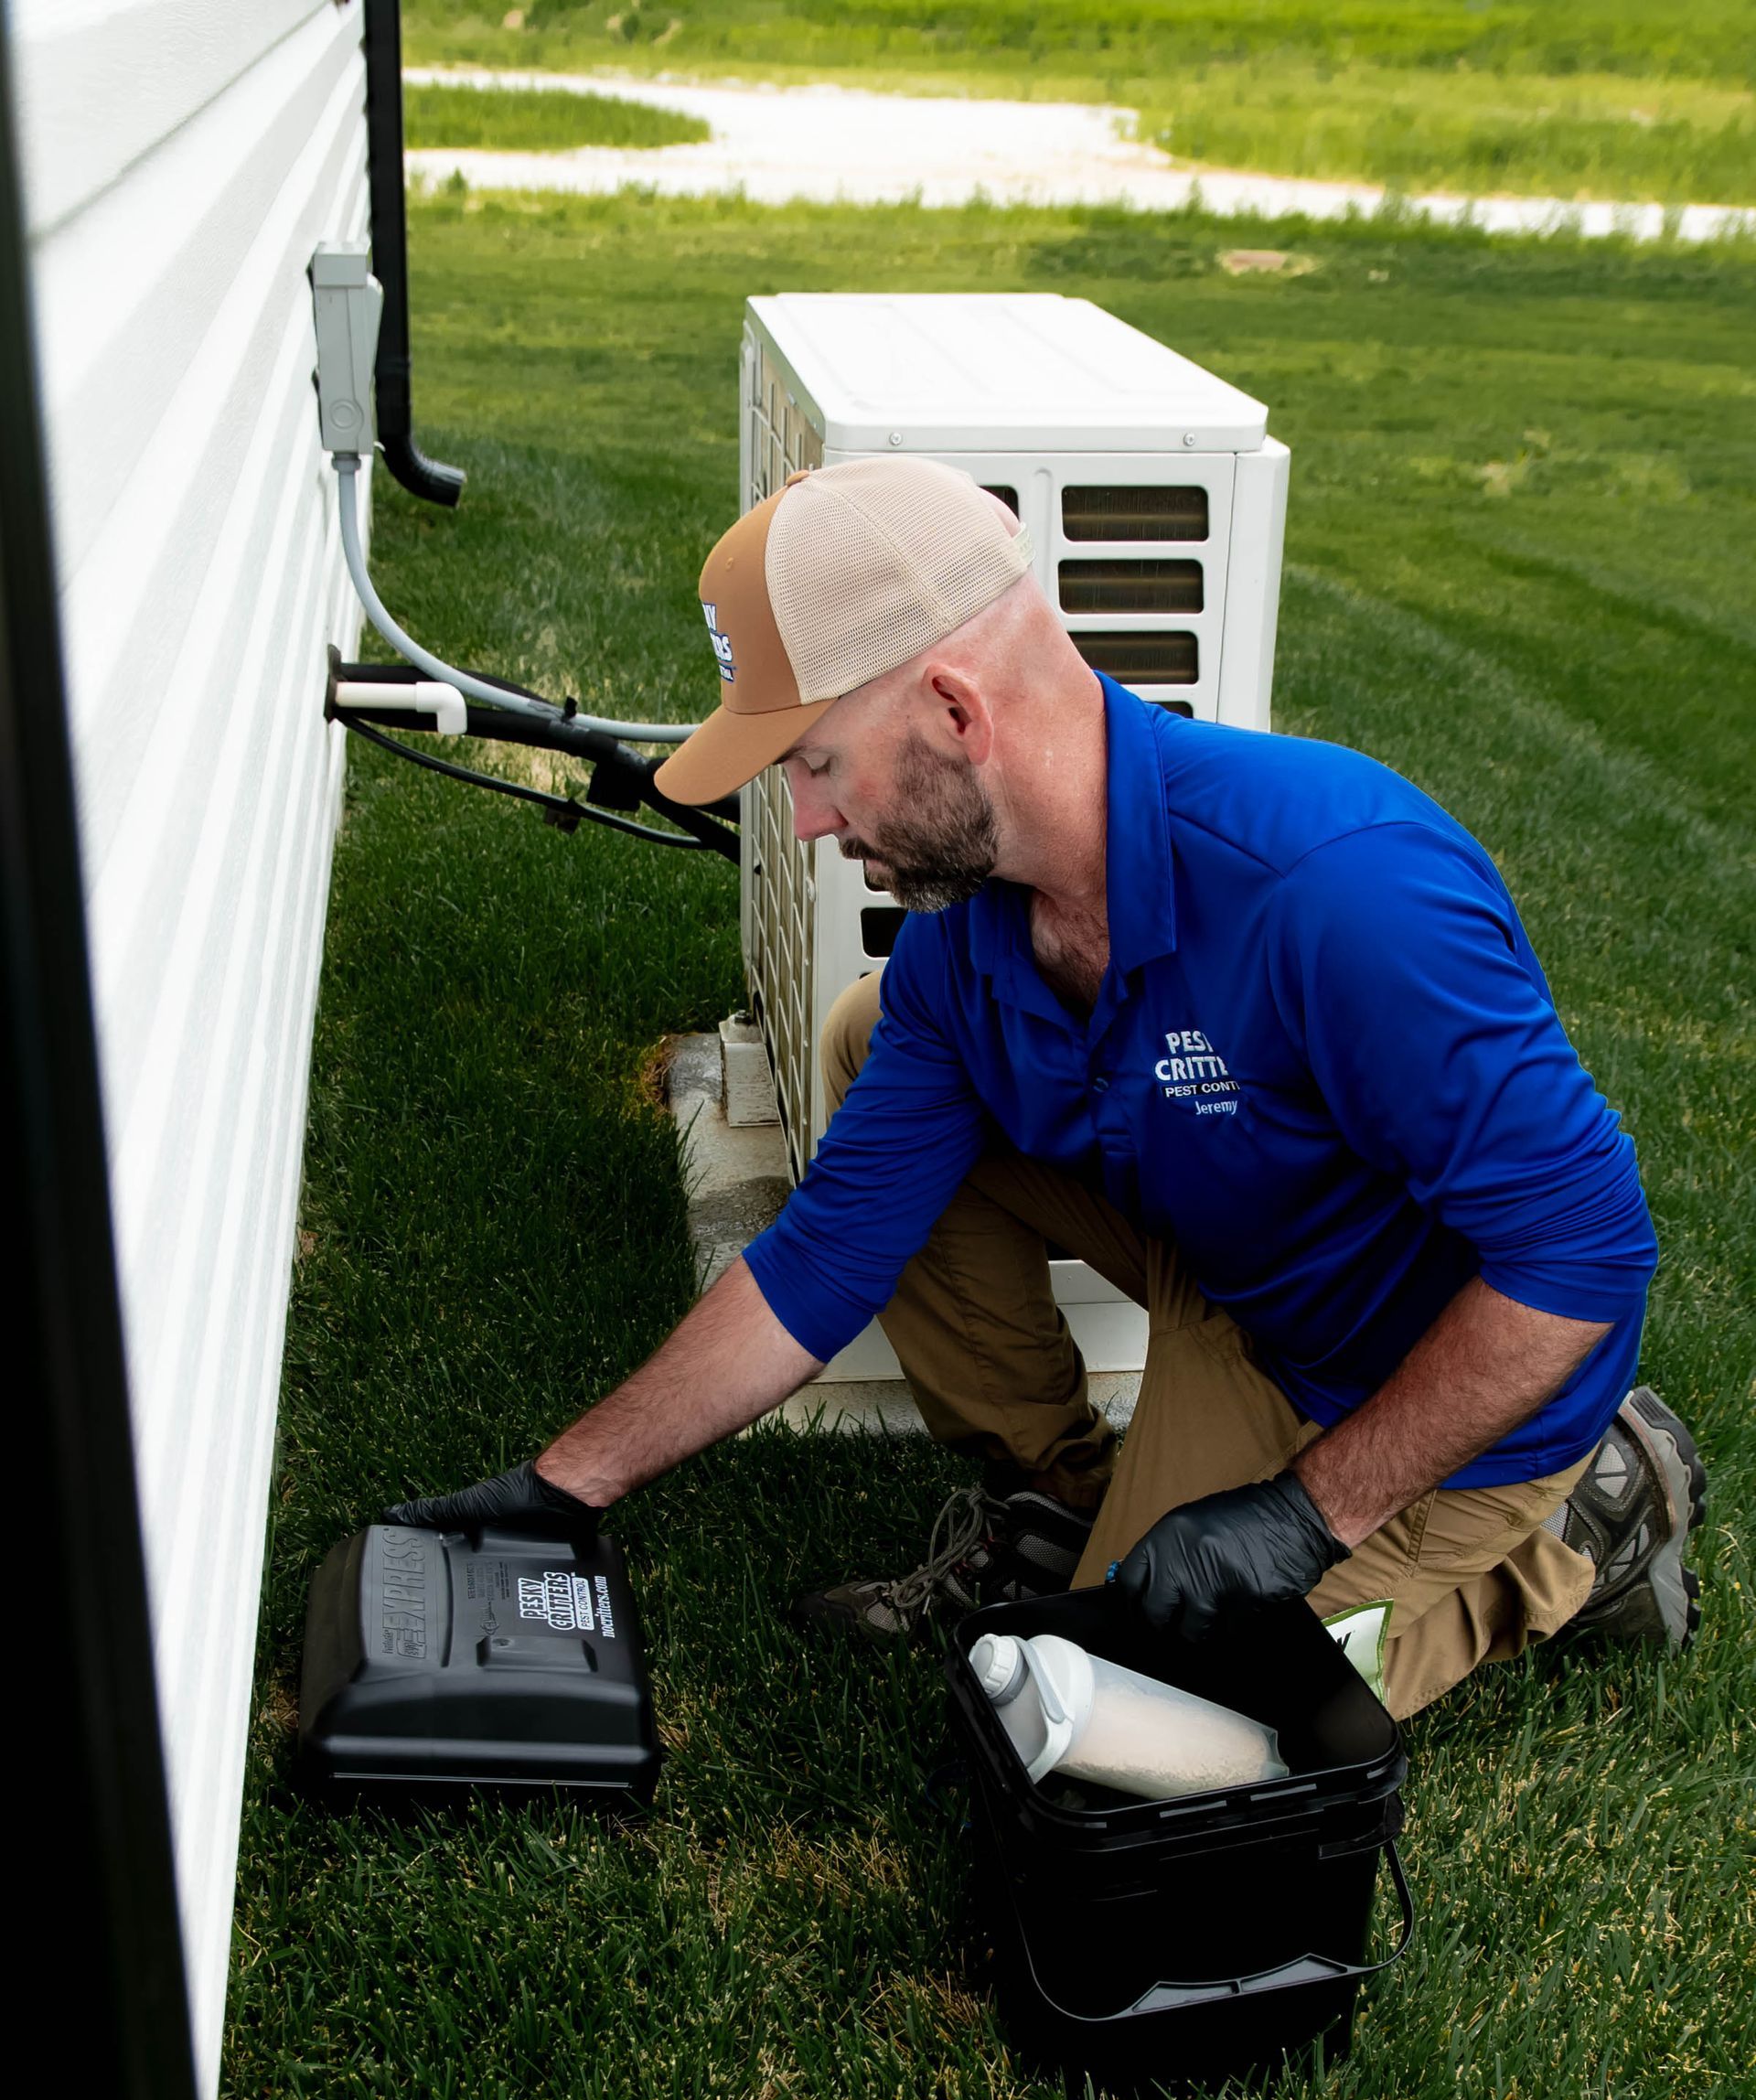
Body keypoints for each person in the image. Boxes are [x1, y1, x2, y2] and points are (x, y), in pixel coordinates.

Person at [385, 457, 1705, 1720]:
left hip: (1415, 1381)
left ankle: (1585, 1525)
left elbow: (1585, 1253)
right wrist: (566, 1489)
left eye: (817, 763)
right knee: (868, 1036)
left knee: (1127, 1744)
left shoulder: (1341, 893)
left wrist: (1310, 1514)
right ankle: (1073, 1502)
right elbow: (827, 1257)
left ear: (958, 712)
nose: (802, 822)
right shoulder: (969, 944)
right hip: (1235, 1269)